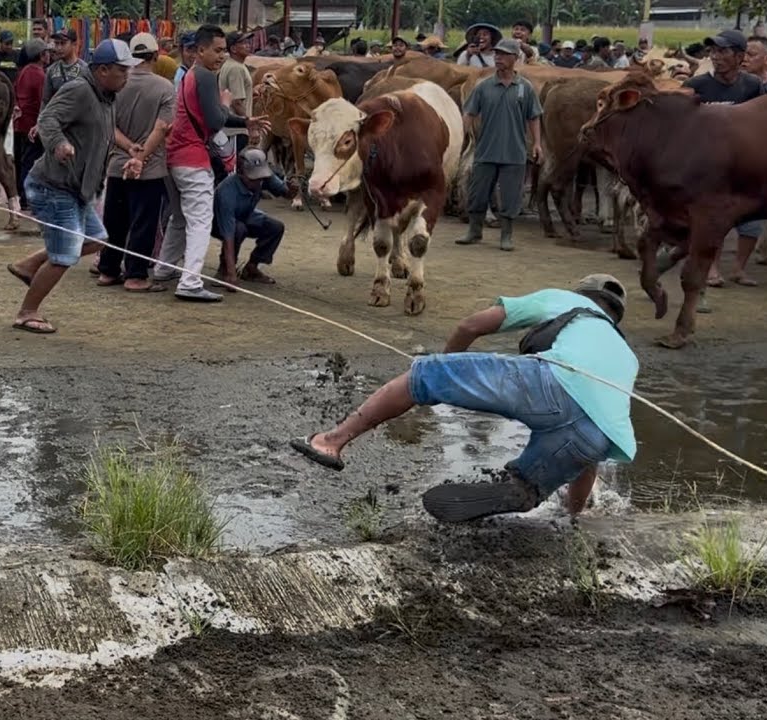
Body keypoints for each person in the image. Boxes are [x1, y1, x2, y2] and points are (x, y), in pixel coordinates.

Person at [291, 274, 637, 523]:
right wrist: (575, 514)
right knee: (536, 481)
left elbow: (471, 326)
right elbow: (592, 452)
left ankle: (330, 442)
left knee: (423, 376)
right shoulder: (625, 355)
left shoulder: (567, 301)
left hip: (549, 382)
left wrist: (447, 370)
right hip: (592, 438)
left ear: (581, 292)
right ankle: (531, 491)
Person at [5, 39, 140, 334]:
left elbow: (106, 132)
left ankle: (30, 265)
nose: (127, 76)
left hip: (78, 188)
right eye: (123, 70)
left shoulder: (108, 97)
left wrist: (131, 150)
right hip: (53, 186)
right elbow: (48, 118)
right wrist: (60, 143)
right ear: (103, 70)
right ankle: (26, 312)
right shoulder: (79, 89)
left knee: (97, 239)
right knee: (64, 256)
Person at [156, 24, 269, 302]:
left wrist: (244, 121)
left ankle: (164, 268)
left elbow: (206, 115)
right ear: (200, 50)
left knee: (180, 218)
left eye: (224, 51)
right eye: (217, 51)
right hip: (193, 159)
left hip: (175, 156)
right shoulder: (206, 77)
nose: (222, 56)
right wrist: (227, 102)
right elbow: (216, 120)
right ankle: (190, 281)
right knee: (200, 221)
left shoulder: (191, 76)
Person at [682, 29, 767, 290]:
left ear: (740, 56)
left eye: (723, 51)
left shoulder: (752, 86)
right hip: (706, 167)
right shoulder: (695, 87)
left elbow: (762, 122)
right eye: (713, 51)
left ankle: (739, 268)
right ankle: (712, 268)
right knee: (713, 220)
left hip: (743, 164)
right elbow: (680, 125)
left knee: (752, 222)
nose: (716, 57)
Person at [96, 32, 175, 293]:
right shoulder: (165, 87)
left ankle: (108, 270)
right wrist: (140, 157)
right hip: (149, 169)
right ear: (156, 56)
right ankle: (136, 275)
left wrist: (129, 150)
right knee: (143, 223)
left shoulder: (117, 84)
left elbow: (108, 126)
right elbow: (162, 128)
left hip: (117, 165)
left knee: (114, 220)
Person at [456, 39, 542, 252]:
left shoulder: (525, 88)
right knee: (478, 192)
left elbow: (534, 117)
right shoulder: (483, 87)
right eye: (496, 54)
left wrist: (538, 143)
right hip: (486, 150)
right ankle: (474, 231)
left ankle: (506, 235)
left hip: (514, 152)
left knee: (511, 195)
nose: (498, 58)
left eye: (503, 55)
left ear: (515, 58)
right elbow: (469, 114)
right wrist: (459, 138)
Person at [211, 147, 299, 287]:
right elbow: (228, 236)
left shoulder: (264, 177)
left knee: (275, 227)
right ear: (240, 173)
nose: (258, 181)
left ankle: (252, 268)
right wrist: (231, 272)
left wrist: (292, 190)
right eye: (253, 178)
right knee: (238, 230)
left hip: (246, 214)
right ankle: (224, 269)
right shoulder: (226, 192)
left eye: (261, 177)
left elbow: (285, 193)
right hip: (219, 223)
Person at [14, 37, 49, 203]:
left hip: (21, 123)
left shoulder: (24, 71)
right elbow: (44, 100)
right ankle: (26, 196)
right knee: (31, 161)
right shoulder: (39, 75)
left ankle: (22, 193)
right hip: (33, 124)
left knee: (22, 160)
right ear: (42, 55)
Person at [218, 31, 253, 155]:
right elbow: (237, 102)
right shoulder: (236, 69)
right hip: (236, 130)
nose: (248, 45)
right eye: (243, 42)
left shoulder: (233, 65)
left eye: (248, 42)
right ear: (233, 48)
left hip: (233, 128)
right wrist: (251, 124)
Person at [41, 29, 88, 109]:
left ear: (74, 44)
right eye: (56, 43)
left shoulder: (85, 70)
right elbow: (45, 100)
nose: (59, 48)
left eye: (63, 43)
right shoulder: (51, 70)